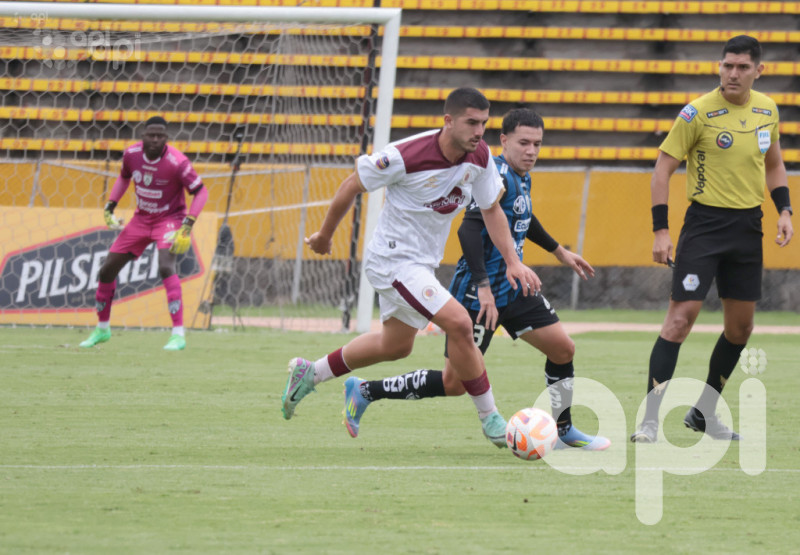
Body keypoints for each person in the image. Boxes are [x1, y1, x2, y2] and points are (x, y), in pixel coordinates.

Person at [281, 88, 541, 448]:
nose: (479, 131)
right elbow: (349, 186)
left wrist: (513, 260)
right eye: (471, 122)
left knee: (395, 346)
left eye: (483, 122)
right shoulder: (406, 155)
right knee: (459, 323)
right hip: (393, 260)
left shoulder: (478, 156)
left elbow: (492, 209)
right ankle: (490, 416)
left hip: (421, 264)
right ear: (448, 121)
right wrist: (325, 236)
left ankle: (311, 373)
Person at [340, 108, 611, 450]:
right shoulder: (492, 172)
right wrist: (483, 285)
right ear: (504, 140)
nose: (531, 151)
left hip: (513, 288)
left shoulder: (520, 175)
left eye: (537, 144)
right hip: (476, 293)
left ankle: (563, 430)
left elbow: (523, 214)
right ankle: (366, 391)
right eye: (524, 143)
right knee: (454, 383)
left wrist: (559, 251)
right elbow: (469, 228)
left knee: (563, 348)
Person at [631, 35, 793, 443]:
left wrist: (785, 211)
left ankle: (703, 414)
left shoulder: (767, 110)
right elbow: (662, 170)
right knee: (680, 320)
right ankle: (649, 420)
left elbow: (774, 165)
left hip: (748, 230)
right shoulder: (696, 114)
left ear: (759, 70)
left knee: (740, 329)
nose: (732, 73)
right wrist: (661, 230)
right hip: (704, 228)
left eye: (741, 67)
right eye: (727, 65)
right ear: (719, 67)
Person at [79, 116, 208, 351]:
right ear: (143, 136)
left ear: (166, 138)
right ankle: (102, 329)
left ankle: (178, 335)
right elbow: (124, 177)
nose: (155, 140)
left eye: (161, 136)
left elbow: (201, 192)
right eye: (151, 135)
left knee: (166, 266)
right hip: (141, 220)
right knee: (106, 270)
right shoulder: (131, 155)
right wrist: (110, 204)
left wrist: (187, 224)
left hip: (169, 220)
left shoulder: (177, 162)